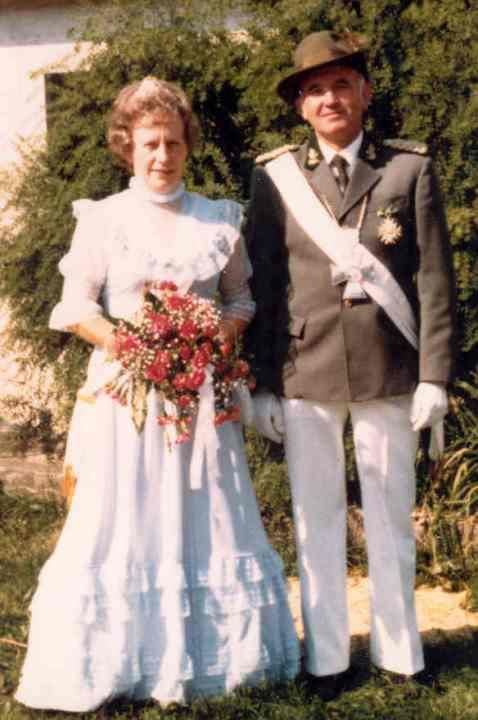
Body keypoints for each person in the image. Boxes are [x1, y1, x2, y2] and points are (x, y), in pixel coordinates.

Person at [15, 77, 299, 712]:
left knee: (210, 516)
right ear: (127, 145)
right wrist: (134, 347)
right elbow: (75, 306)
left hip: (202, 400)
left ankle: (215, 659)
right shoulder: (104, 219)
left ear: (187, 144)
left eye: (172, 142)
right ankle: (122, 658)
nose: (162, 155)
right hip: (127, 400)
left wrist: (210, 339)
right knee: (123, 521)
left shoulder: (218, 219)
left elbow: (241, 298)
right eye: (149, 143)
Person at [244, 31, 456, 690]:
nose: (329, 98)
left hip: (388, 366)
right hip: (304, 368)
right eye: (315, 90)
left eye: (341, 85)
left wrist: (435, 375)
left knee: (391, 515)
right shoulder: (275, 177)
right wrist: (262, 383)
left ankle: (400, 655)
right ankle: (328, 658)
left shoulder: (408, 170)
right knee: (316, 519)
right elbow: (262, 284)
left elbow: (434, 281)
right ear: (300, 107)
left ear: (364, 92)